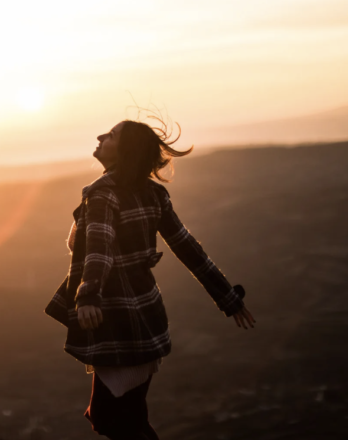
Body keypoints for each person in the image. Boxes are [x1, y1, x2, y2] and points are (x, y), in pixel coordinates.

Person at [45, 118, 255, 439]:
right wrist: (227, 297)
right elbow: (189, 249)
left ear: (125, 150)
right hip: (146, 318)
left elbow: (98, 249)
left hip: (116, 320)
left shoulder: (103, 194)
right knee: (121, 417)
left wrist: (88, 295)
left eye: (112, 135)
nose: (101, 136)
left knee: (114, 419)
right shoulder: (153, 194)